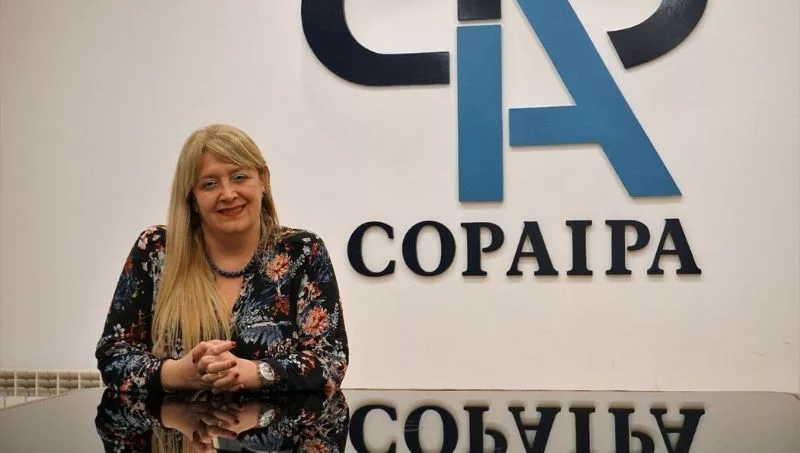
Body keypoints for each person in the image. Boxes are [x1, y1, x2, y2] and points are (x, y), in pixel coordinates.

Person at [95, 124, 348, 394]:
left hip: (278, 422)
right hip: (178, 420)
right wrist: (177, 374)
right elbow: (114, 355)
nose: (228, 194)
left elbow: (331, 361)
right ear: (192, 197)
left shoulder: (302, 252)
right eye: (209, 184)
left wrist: (257, 373)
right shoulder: (156, 250)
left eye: (239, 177)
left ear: (262, 179)